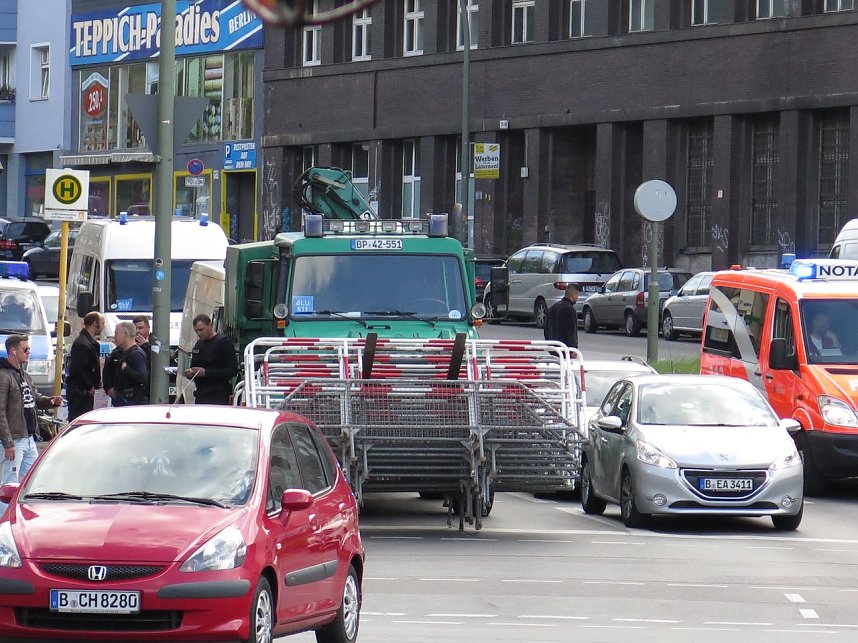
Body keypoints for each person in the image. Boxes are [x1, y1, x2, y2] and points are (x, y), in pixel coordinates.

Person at [0, 335, 63, 512]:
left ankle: (29, 515)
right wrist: (8, 442)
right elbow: (1, 412)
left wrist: (50, 401)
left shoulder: (24, 374)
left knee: (36, 481)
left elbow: (33, 397)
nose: (29, 353)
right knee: (9, 485)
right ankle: (5, 522)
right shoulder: (3, 376)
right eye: (25, 349)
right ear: (13, 351)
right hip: (14, 439)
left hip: (28, 438)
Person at [184, 314, 238, 405]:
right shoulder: (199, 344)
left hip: (219, 394)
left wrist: (207, 373)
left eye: (201, 330)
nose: (199, 333)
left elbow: (233, 370)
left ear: (210, 325)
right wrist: (191, 373)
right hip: (201, 394)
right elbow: (194, 366)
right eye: (196, 331)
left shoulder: (224, 342)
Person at [65, 311, 104, 421]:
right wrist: (89, 386)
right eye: (102, 323)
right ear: (94, 323)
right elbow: (78, 369)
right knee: (80, 420)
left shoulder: (88, 342)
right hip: (80, 392)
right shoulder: (82, 343)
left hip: (83, 391)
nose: (103, 326)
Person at [103, 322, 149, 407]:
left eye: (116, 333)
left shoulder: (136, 354)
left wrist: (126, 369)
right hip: (120, 400)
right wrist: (109, 388)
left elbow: (143, 377)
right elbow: (108, 370)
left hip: (132, 403)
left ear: (126, 334)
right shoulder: (118, 352)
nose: (114, 336)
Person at [544, 283, 580, 349]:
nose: (577, 298)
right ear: (574, 295)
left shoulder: (552, 308)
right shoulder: (570, 310)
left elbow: (546, 329)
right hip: (565, 348)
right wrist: (574, 347)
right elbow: (571, 331)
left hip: (552, 347)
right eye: (578, 295)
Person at [132, 315, 152, 400]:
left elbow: (160, 358)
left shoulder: (156, 340)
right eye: (135, 328)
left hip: (151, 385)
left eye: (140, 328)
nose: (137, 331)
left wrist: (146, 345)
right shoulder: (129, 341)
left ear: (148, 328)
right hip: (135, 387)